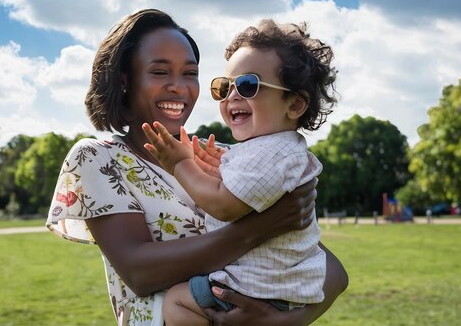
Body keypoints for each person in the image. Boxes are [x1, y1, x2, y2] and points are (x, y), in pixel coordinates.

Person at [46, 9, 348, 326]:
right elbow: (140, 272)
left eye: (190, 73)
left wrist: (279, 321)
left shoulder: (232, 158)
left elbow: (330, 270)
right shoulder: (99, 158)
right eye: (160, 72)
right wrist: (258, 229)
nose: (179, 86)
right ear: (125, 81)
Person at [142, 19, 338, 325]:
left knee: (178, 301)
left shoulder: (270, 152)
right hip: (280, 288)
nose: (232, 95)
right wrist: (222, 173)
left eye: (248, 85)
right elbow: (246, 193)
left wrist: (181, 165)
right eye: (224, 86)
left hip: (256, 287)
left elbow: (223, 205)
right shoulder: (279, 148)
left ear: (295, 104)